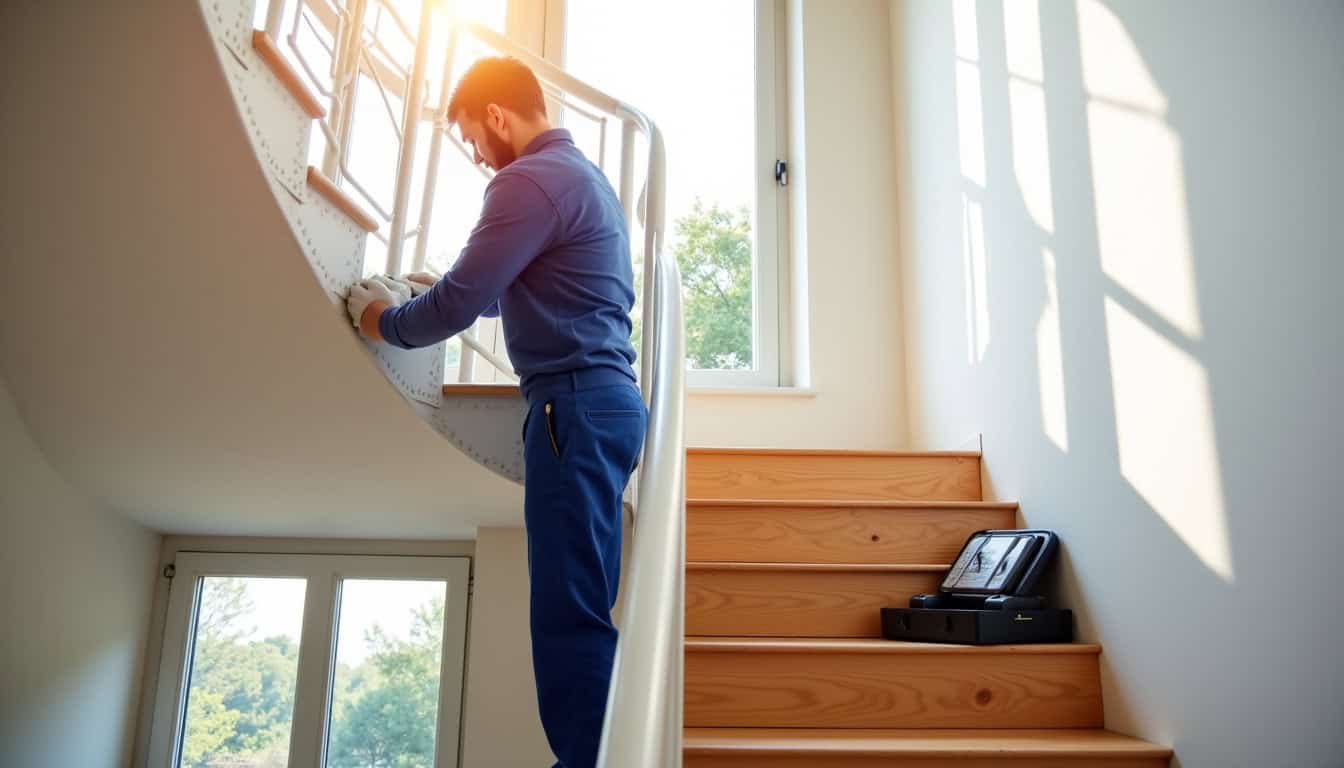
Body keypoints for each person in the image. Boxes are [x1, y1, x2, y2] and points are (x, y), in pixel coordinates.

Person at [345, 56, 646, 768]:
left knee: (567, 615)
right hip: (603, 404)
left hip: (571, 407)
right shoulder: (583, 178)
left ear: (497, 116)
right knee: (585, 604)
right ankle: (601, 752)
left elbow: (453, 309)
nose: (478, 156)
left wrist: (378, 318)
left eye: (473, 138)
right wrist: (442, 284)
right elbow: (506, 288)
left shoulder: (526, 181)